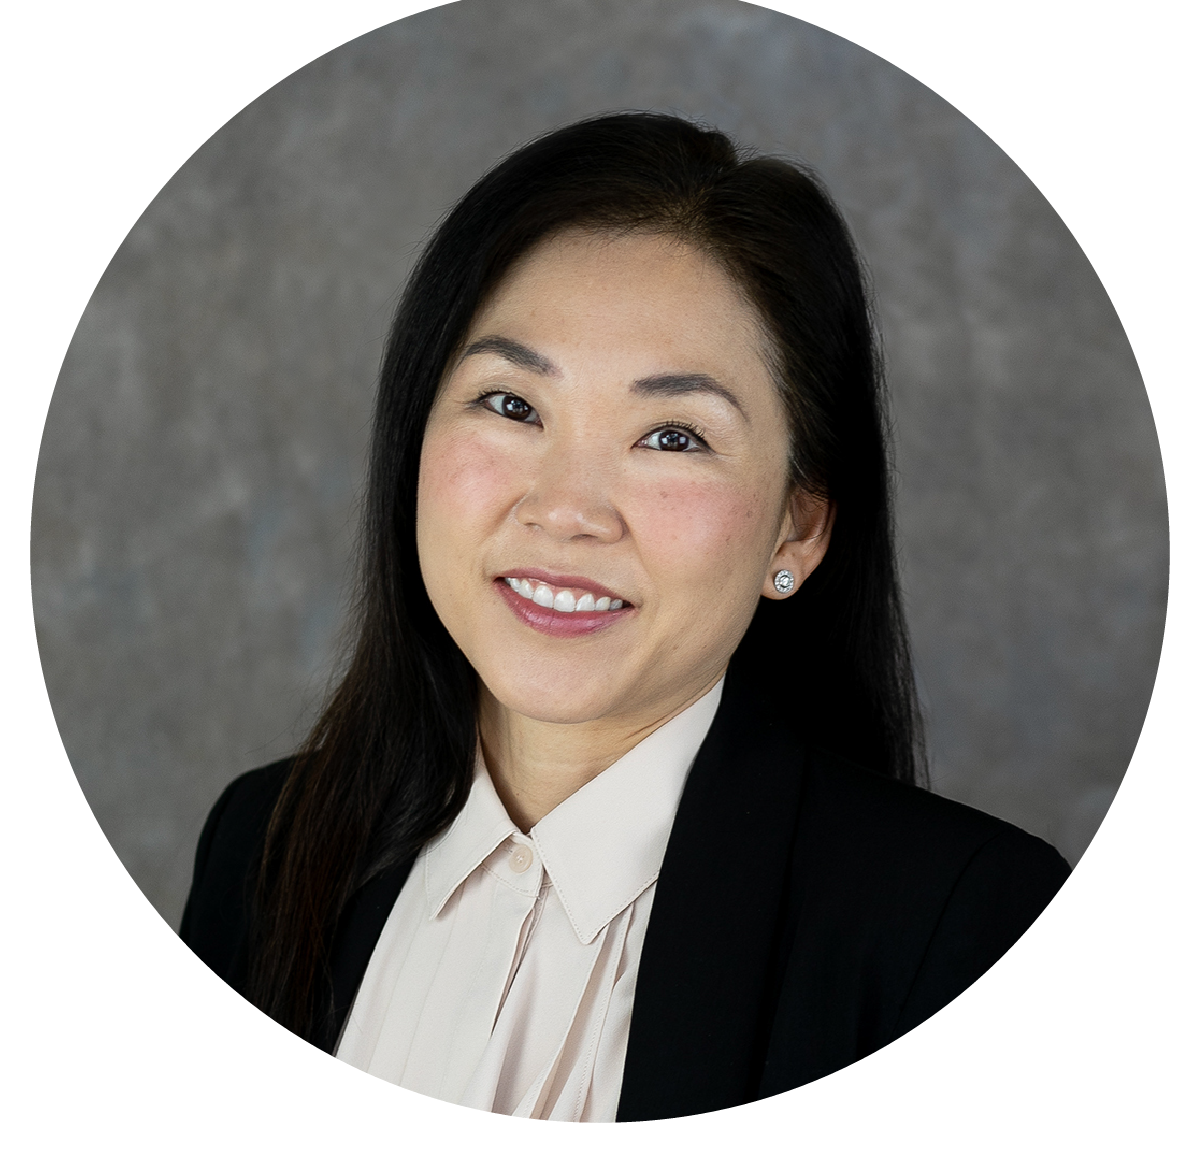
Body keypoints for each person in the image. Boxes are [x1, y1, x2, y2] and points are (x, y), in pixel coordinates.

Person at [180, 112, 1069, 1121]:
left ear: (798, 529)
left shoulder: (958, 930)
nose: (564, 509)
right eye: (511, 406)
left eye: (674, 436)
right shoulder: (265, 843)